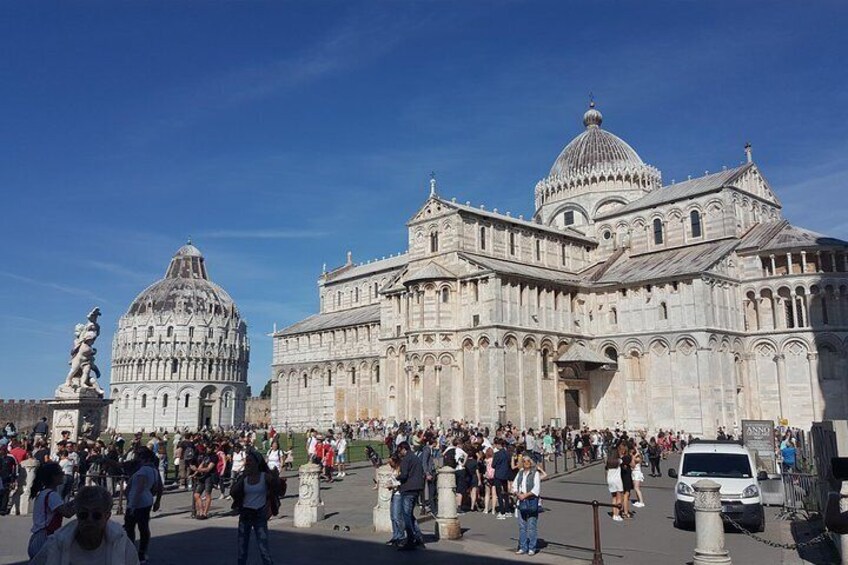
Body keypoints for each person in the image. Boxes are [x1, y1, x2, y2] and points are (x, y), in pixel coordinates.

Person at [30, 485, 139, 565]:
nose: (89, 519)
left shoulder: (121, 543)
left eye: (96, 515)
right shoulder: (57, 543)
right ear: (77, 514)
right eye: (83, 514)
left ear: (107, 516)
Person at [230, 451, 281, 565]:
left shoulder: (264, 477)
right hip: (245, 515)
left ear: (257, 463)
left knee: (263, 549)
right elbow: (233, 492)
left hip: (259, 514)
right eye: (246, 461)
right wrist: (243, 476)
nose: (247, 463)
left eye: (250, 461)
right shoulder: (244, 478)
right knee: (242, 550)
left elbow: (277, 488)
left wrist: (276, 476)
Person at [27, 462, 77, 558]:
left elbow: (62, 507)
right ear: (54, 477)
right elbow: (67, 513)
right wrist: (81, 503)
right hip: (45, 537)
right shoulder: (52, 495)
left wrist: (75, 501)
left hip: (38, 536)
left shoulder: (44, 493)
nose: (63, 474)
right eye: (60, 473)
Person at [125, 447, 162, 564]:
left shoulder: (142, 471)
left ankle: (131, 552)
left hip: (138, 502)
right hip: (147, 500)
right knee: (144, 527)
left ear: (143, 459)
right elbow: (156, 487)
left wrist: (132, 506)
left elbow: (138, 490)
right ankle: (142, 552)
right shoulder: (154, 471)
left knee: (130, 528)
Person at [395, 442, 424, 551]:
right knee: (410, 514)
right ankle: (418, 536)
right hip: (416, 489)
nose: (399, 453)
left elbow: (404, 475)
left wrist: (396, 478)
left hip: (408, 489)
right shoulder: (415, 458)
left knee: (406, 515)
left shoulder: (406, 459)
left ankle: (410, 539)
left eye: (399, 450)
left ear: (403, 449)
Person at [512, 454, 541, 556]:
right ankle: (523, 547)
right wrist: (517, 493)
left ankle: (532, 547)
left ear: (531, 463)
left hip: (531, 501)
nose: (526, 463)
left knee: (531, 526)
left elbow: (536, 489)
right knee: (522, 526)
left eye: (528, 461)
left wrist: (525, 495)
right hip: (521, 502)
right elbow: (514, 485)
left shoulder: (535, 473)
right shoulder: (520, 473)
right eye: (524, 461)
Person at [385, 454, 405, 547]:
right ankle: (395, 536)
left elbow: (402, 483)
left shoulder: (400, 470)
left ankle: (401, 537)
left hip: (399, 494)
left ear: (395, 461)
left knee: (397, 517)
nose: (389, 464)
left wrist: (393, 486)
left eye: (391, 462)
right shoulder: (393, 469)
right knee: (392, 516)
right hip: (394, 493)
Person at [606, 451, 623, 522]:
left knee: (614, 498)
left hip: (610, 480)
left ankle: (614, 514)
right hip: (617, 480)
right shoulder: (619, 461)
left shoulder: (608, 462)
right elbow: (622, 459)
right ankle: (617, 514)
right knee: (619, 498)